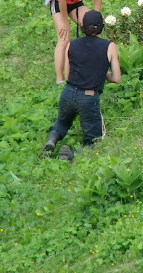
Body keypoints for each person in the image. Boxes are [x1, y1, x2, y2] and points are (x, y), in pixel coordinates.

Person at [40, 10, 121, 161]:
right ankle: (71, 155)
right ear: (102, 26)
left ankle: (51, 140)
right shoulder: (109, 46)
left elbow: (67, 75)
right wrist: (99, 74)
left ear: (82, 27)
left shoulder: (71, 44)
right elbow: (116, 78)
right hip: (89, 97)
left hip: (68, 93)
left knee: (62, 122)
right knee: (93, 142)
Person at [45, 0, 108, 84]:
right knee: (64, 37)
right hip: (58, 1)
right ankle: (59, 80)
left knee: (93, 28)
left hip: (75, 2)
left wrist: (95, 15)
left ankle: (92, 68)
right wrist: (65, 22)